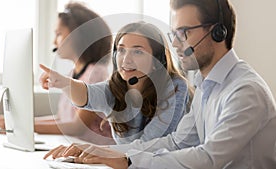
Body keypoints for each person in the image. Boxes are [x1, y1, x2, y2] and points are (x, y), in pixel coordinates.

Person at [43, 0, 276, 168]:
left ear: (218, 33)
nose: (174, 43)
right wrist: (103, 152)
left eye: (184, 32)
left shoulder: (244, 91)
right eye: (174, 33)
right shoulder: (207, 84)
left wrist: (126, 160)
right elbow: (176, 142)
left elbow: (209, 158)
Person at [39, 21, 193, 145]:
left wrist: (100, 152)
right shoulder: (116, 86)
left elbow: (150, 145)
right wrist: (63, 83)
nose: (126, 59)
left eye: (137, 51)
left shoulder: (175, 87)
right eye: (121, 50)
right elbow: (88, 94)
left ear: (157, 61)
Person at [0, 2, 113, 145]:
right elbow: (62, 119)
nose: (54, 42)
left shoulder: (96, 73)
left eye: (58, 34)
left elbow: (77, 127)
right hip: (74, 147)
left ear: (78, 35)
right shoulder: (72, 73)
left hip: (94, 153)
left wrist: (21, 126)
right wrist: (19, 123)